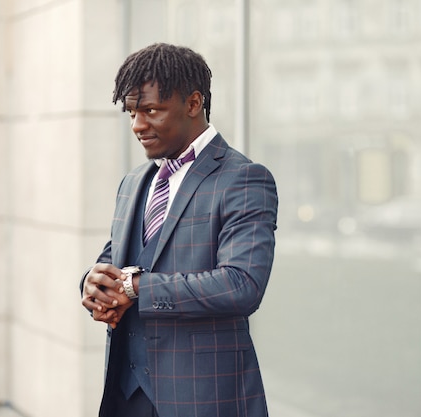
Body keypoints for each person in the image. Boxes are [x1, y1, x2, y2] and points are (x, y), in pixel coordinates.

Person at [80, 43, 278, 417]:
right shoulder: (134, 182)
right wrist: (93, 286)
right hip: (125, 396)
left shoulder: (244, 179)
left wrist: (134, 287)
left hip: (202, 399)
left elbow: (242, 285)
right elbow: (113, 262)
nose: (138, 125)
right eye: (132, 112)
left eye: (151, 110)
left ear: (193, 104)